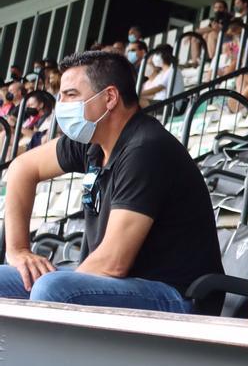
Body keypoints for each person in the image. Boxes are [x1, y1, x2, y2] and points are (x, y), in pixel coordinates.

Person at [0, 50, 222, 311]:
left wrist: (62, 282)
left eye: (71, 95)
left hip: (176, 295)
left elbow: (113, 263)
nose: (61, 105)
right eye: (60, 96)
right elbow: (22, 167)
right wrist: (18, 251)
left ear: (109, 97)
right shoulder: (92, 141)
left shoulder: (145, 149)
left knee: (52, 288)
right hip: (118, 283)